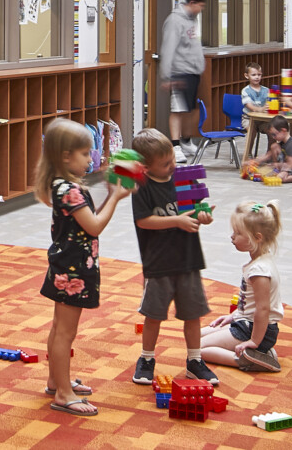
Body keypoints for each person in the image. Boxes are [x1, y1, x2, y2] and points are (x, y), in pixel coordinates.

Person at [37, 117, 126, 417]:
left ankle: (55, 380)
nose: (91, 159)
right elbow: (96, 225)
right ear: (65, 156)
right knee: (65, 332)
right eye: (86, 154)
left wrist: (109, 195)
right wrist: (115, 197)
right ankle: (63, 392)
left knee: (58, 328)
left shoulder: (67, 186)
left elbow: (86, 222)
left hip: (68, 266)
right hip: (71, 271)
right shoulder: (68, 190)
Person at [127, 128, 218, 390]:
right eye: (165, 164)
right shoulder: (142, 187)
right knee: (153, 315)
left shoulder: (182, 179)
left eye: (173, 160)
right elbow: (144, 221)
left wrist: (204, 217)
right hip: (158, 262)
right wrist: (177, 220)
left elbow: (198, 211)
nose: (172, 166)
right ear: (145, 167)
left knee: (193, 314)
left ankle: (194, 360)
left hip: (188, 258)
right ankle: (146, 359)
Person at [200, 202, 283, 373]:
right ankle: (259, 352)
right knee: (198, 335)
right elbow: (251, 305)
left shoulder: (260, 271)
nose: (232, 237)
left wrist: (254, 341)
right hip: (246, 324)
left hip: (255, 330)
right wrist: (233, 316)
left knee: (197, 349)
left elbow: (263, 309)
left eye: (238, 233)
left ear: (257, 237)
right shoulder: (259, 262)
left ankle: (248, 359)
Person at [161, 0, 208, 146]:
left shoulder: (193, 19)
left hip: (193, 71)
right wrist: (167, 76)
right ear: (192, 3)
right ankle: (175, 145)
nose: (201, 10)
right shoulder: (174, 20)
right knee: (178, 110)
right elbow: (168, 48)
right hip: (179, 71)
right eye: (200, 6)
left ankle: (186, 141)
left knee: (191, 109)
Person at [244, 116, 292, 183]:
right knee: (274, 146)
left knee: (280, 178)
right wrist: (254, 161)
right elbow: (268, 155)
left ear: (283, 131)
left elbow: (291, 164)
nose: (273, 137)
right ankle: (278, 171)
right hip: (284, 166)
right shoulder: (281, 143)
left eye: (274, 134)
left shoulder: (291, 144)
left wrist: (276, 165)